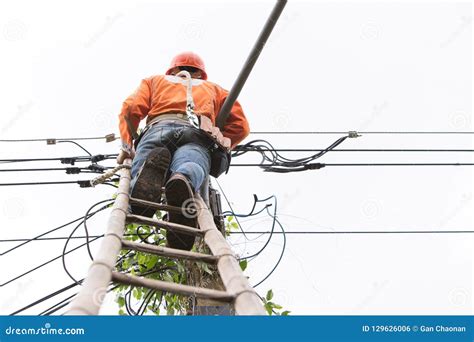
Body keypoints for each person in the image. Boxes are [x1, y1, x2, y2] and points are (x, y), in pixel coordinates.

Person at [116, 52, 250, 250]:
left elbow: (130, 109)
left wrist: (128, 145)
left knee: (145, 160)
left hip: (158, 129)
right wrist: (220, 139)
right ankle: (184, 178)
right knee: (193, 163)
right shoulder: (213, 88)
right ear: (200, 74)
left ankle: (142, 193)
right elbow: (241, 127)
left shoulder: (154, 81)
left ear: (173, 69)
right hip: (196, 134)